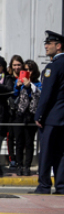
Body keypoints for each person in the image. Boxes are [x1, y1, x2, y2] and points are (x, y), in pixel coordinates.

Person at [34, 30, 64, 194]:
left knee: (46, 152)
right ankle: (61, 186)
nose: (45, 46)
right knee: (60, 153)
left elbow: (47, 94)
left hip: (51, 117)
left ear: (58, 46)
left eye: (49, 43)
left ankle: (44, 186)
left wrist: (39, 114)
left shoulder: (53, 66)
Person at [10, 59, 41, 176]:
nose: (28, 72)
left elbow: (38, 95)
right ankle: (19, 166)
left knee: (29, 142)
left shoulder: (37, 84)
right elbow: (14, 96)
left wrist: (29, 86)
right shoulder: (19, 82)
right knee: (18, 142)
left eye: (30, 69)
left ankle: (27, 166)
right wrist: (18, 87)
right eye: (25, 70)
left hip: (31, 115)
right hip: (20, 115)